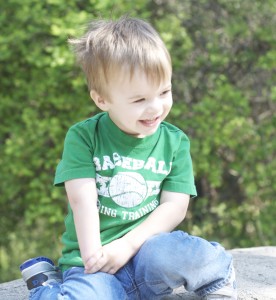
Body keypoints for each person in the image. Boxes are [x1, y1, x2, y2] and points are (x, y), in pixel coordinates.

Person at [20, 16, 237, 300]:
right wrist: (94, 257)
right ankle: (47, 286)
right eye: (139, 100)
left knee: (169, 251)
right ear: (102, 100)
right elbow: (82, 200)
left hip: (148, 258)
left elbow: (174, 206)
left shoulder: (174, 141)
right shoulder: (84, 137)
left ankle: (217, 273)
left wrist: (128, 245)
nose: (156, 107)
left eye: (164, 91)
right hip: (98, 265)